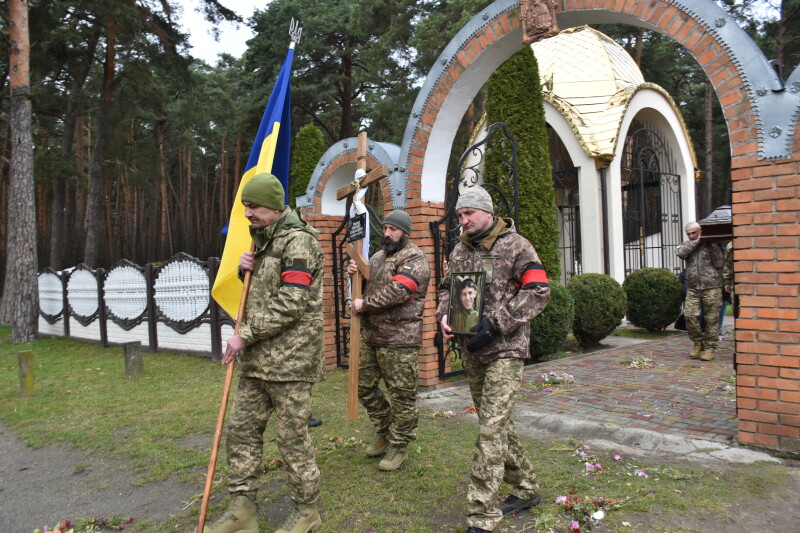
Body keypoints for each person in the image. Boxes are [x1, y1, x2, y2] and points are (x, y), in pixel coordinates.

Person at [205, 173, 325, 533]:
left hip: (291, 363)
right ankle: (243, 510)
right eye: (245, 206)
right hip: (258, 362)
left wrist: (246, 335)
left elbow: (291, 301)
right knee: (241, 432)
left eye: (253, 206)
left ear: (274, 207)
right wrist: (247, 274)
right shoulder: (264, 242)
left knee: (291, 440)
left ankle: (307, 511)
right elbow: (266, 292)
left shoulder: (299, 243)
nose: (247, 214)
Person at [436, 186, 550, 533]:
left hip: (506, 349)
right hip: (473, 350)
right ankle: (527, 488)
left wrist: (497, 324)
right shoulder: (459, 250)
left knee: (490, 429)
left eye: (468, 213)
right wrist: (446, 314)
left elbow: (538, 290)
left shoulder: (517, 245)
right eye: (459, 215)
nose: (463, 220)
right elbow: (446, 288)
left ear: (486, 212)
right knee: (495, 422)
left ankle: (481, 514)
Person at [346, 210, 431, 471]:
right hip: (372, 335)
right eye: (385, 229)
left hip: (400, 339)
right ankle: (384, 431)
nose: (388, 233)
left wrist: (365, 304)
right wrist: (355, 272)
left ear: (406, 232)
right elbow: (367, 282)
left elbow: (398, 291)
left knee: (402, 396)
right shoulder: (378, 257)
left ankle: (399, 445)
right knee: (363, 386)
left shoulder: (415, 258)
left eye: (394, 229)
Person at [676, 221, 724, 362]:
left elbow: (720, 263)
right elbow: (681, 253)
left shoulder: (712, 245)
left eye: (694, 233)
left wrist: (715, 246)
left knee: (711, 319)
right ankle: (698, 343)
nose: (691, 236)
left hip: (712, 287)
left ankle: (710, 348)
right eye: (689, 233)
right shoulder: (688, 245)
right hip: (693, 287)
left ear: (701, 231)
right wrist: (696, 241)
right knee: (689, 316)